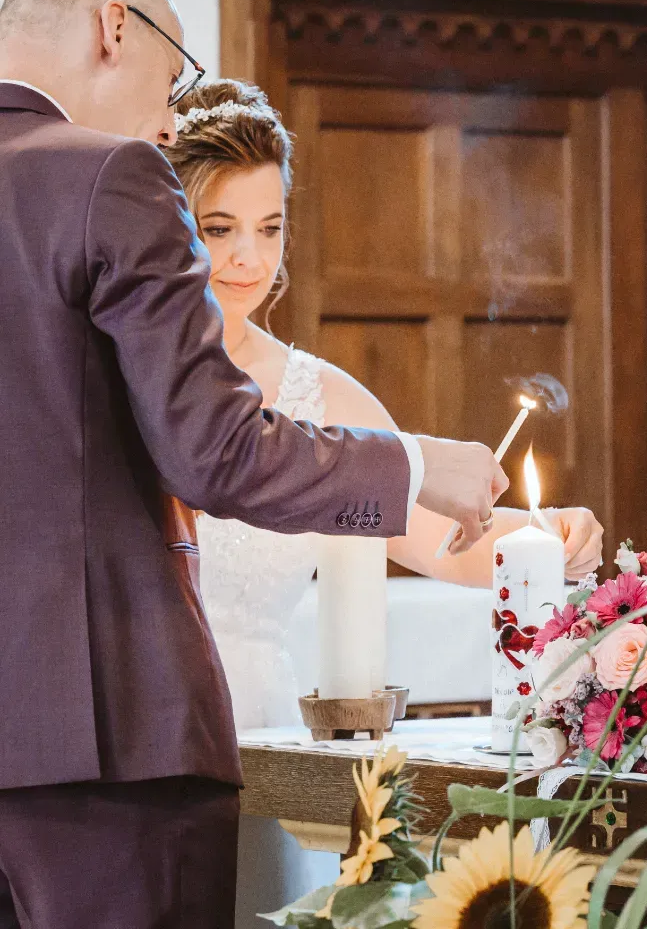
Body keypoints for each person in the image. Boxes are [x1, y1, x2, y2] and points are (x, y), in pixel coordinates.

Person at [0, 0, 510, 929]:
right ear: (114, 27)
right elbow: (216, 450)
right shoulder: (110, 174)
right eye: (173, 76)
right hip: (106, 740)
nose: (168, 118)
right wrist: (419, 464)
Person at [163, 78, 604, 928]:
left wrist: (544, 533)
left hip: (264, 731)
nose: (249, 258)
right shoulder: (114, 374)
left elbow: (440, 534)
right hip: (138, 726)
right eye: (219, 229)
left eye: (269, 228)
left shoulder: (320, 395)